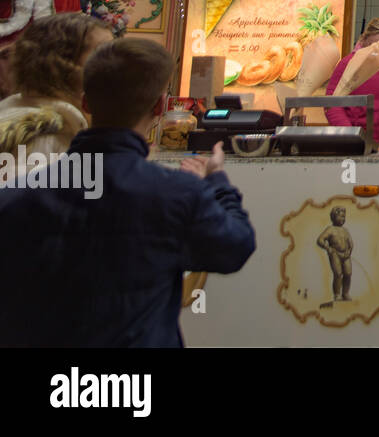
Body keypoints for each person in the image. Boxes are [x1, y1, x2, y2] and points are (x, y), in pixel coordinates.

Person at [0, 39, 256, 346]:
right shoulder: (177, 194)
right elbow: (234, 247)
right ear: (160, 107)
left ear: (85, 102)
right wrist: (216, 181)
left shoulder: (15, 197)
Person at [0, 11, 113, 160]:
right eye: (102, 52)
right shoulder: (46, 138)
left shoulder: (21, 106)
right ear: (60, 62)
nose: (115, 63)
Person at [324, 17, 379, 144]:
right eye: (374, 45)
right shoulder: (348, 64)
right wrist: (350, 134)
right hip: (357, 141)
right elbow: (332, 104)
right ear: (363, 39)